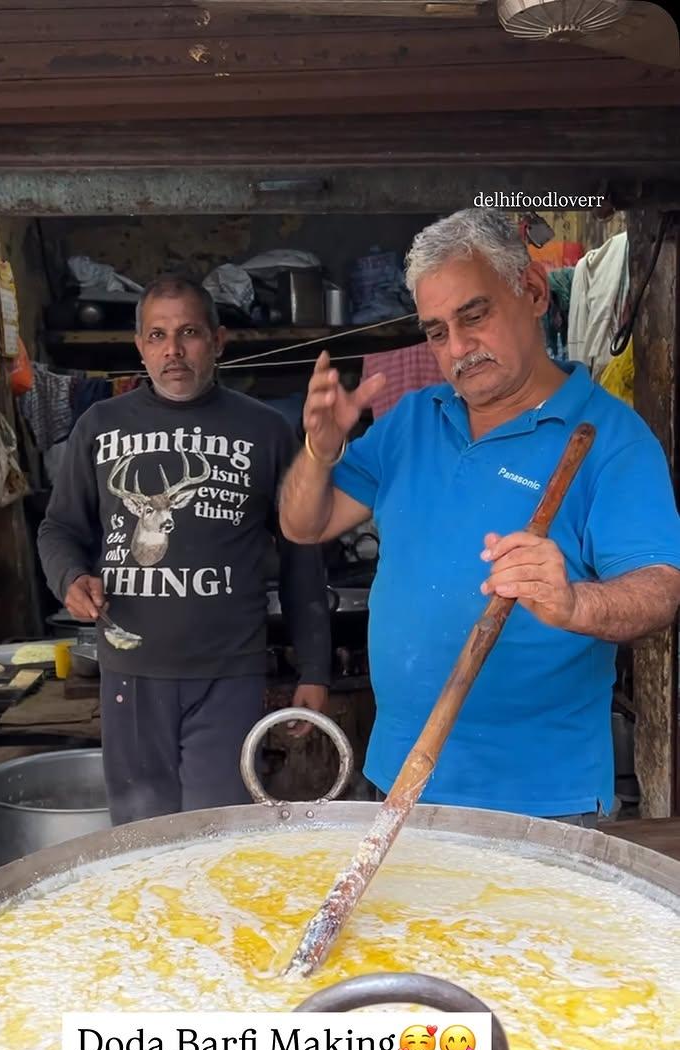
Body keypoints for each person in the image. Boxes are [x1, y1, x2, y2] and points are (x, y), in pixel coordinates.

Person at [279, 210, 680, 824]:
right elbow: (305, 524)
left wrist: (572, 602)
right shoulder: (413, 420)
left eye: (475, 315)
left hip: (543, 805)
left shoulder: (612, 439)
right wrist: (318, 450)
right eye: (437, 332)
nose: (458, 349)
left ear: (535, 292)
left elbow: (660, 591)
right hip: (399, 785)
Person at [38, 274, 330, 824]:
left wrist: (314, 669)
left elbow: (302, 556)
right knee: (141, 838)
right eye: (157, 335)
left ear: (218, 341)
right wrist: (69, 578)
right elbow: (58, 529)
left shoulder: (266, 431)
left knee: (217, 839)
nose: (173, 350)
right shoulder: (99, 427)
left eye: (189, 333)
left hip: (229, 673)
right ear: (140, 348)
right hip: (130, 671)